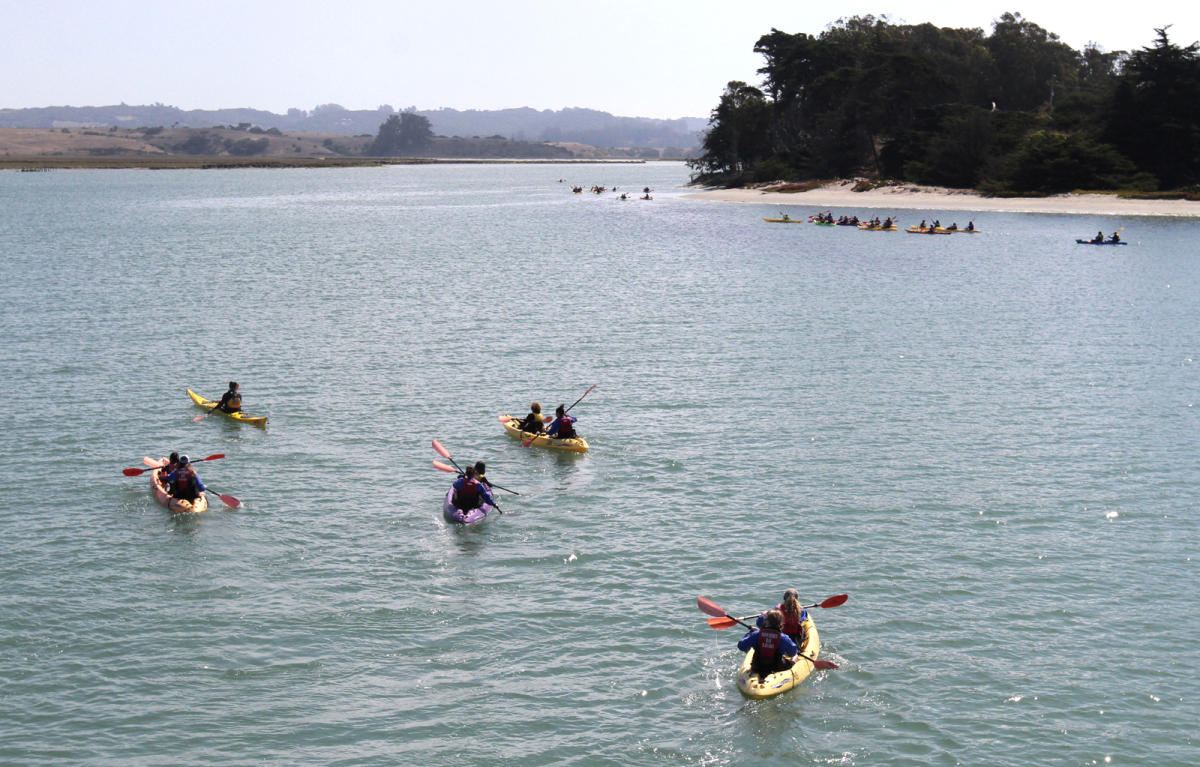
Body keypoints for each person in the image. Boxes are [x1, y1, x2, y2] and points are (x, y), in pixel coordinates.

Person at [737, 609, 798, 680]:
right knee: (795, 657)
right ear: (780, 623)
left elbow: (741, 646)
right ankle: (792, 663)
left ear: (766, 621)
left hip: (757, 666)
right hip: (777, 667)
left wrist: (750, 634)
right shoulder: (783, 638)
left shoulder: (756, 635)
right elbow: (792, 652)